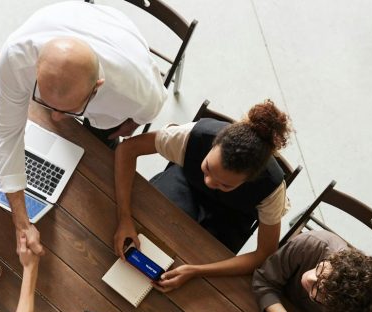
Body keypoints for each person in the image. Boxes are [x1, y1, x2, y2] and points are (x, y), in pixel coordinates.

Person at [0, 1, 167, 257]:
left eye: (68, 110)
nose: (56, 118)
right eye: (45, 101)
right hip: (70, 20)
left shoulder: (136, 93)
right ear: (36, 68)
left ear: (97, 87)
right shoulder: (16, 57)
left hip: (119, 43)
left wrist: (131, 124)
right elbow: (6, 133)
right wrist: (21, 220)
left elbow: (146, 113)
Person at [113, 99, 292, 291]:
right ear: (214, 144)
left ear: (249, 180)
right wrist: (124, 217)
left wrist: (196, 271)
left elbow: (265, 253)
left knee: (196, 269)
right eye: (207, 168)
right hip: (185, 185)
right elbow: (127, 149)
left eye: (225, 184)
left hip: (231, 217)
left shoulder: (271, 189)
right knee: (147, 227)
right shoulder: (193, 136)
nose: (209, 182)